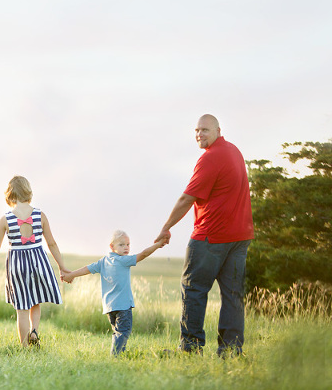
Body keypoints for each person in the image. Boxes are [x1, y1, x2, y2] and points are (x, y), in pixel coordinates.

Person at [155, 114, 254, 356]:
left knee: (194, 289)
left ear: (218, 130)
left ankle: (190, 348)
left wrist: (166, 227)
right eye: (197, 130)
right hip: (239, 236)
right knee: (232, 295)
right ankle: (231, 351)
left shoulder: (210, 158)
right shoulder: (234, 151)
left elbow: (186, 198)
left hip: (211, 236)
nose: (200, 134)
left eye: (205, 130)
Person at [0, 176, 69, 347]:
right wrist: (62, 267)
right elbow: (51, 243)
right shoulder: (40, 215)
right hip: (38, 260)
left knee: (22, 308)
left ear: (10, 194)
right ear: (28, 192)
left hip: (17, 264)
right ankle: (34, 330)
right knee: (35, 300)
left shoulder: (5, 219)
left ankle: (24, 346)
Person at [61, 230, 166, 356]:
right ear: (112, 246)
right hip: (123, 306)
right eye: (121, 245)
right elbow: (143, 254)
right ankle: (115, 355)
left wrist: (71, 275)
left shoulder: (103, 261)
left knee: (118, 332)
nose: (126, 248)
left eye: (128, 244)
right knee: (123, 331)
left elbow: (86, 269)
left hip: (109, 307)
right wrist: (157, 245)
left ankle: (120, 354)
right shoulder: (124, 260)